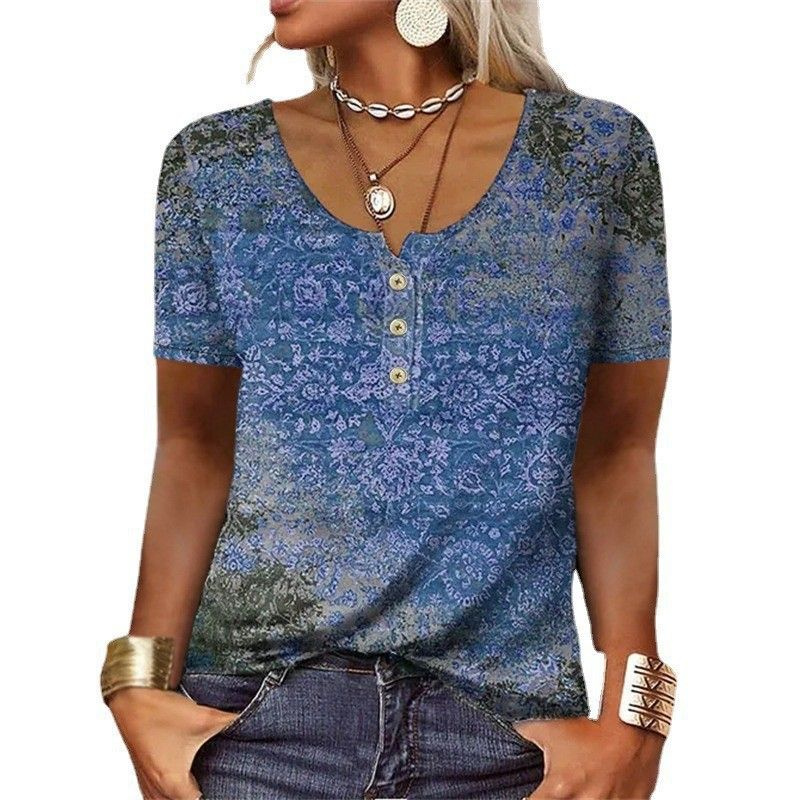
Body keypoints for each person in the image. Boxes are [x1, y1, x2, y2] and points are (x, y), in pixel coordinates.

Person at [101, 1, 676, 798]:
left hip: (507, 740)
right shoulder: (215, 166)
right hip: (252, 733)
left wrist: (638, 715)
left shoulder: (591, 158)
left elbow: (615, 454)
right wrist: (135, 687)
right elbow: (194, 447)